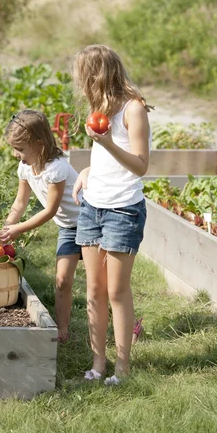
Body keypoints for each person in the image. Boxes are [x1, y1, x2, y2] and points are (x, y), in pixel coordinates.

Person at [72, 45, 152, 385]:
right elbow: (107, 158)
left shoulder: (134, 110)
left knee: (117, 291)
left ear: (97, 76)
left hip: (123, 210)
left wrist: (106, 145)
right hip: (93, 206)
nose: (79, 84)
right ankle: (98, 364)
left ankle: (122, 366)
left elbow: (140, 165)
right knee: (94, 291)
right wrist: (89, 168)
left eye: (82, 76)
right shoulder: (98, 107)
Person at [0, 109, 82, 343]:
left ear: (39, 143)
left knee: (104, 284)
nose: (16, 155)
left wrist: (19, 229)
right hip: (69, 228)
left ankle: (129, 323)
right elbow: (20, 203)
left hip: (91, 223)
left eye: (20, 149)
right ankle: (62, 331)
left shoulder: (56, 168)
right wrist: (8, 226)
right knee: (62, 281)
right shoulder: (26, 168)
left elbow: (49, 211)